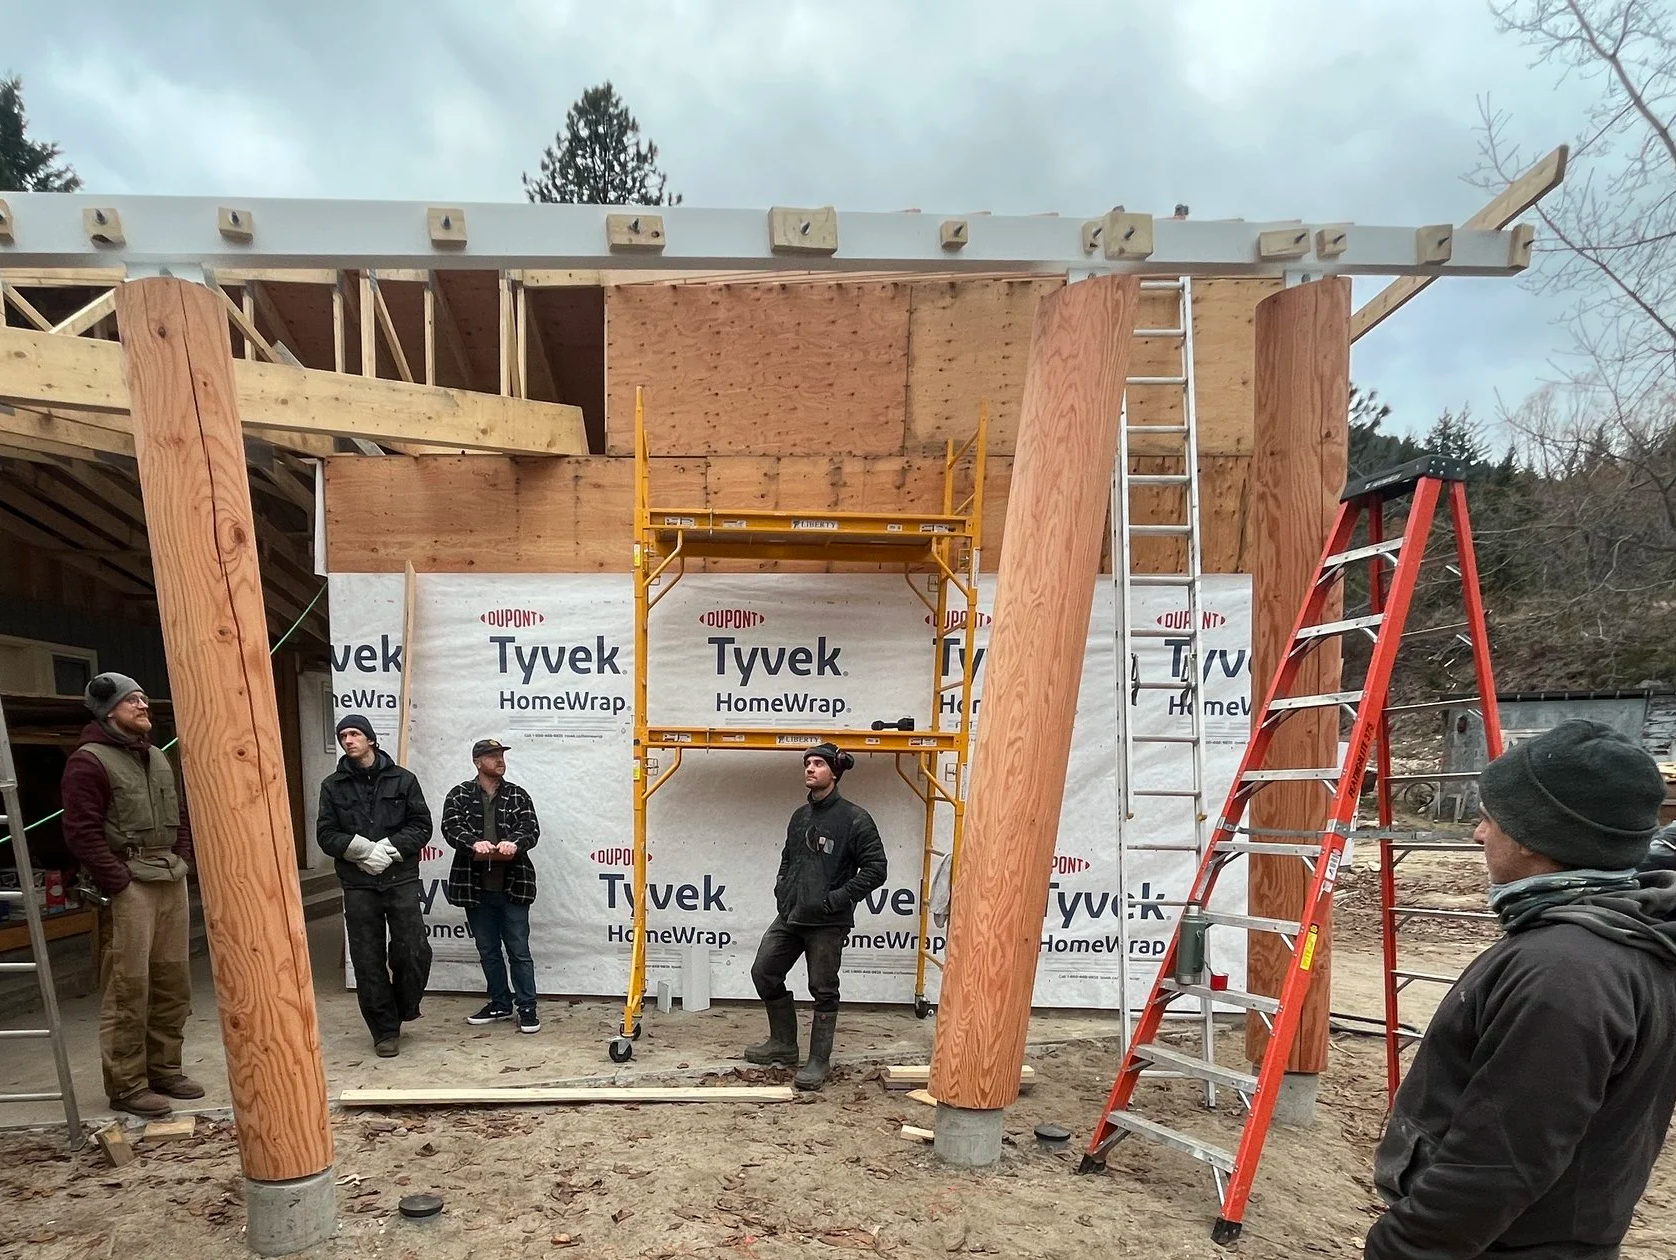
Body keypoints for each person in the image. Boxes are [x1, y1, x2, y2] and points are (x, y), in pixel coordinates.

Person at [1366, 720, 1676, 1260]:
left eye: (1489, 819)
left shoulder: (1567, 971)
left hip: (1502, 1245)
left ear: (1537, 837)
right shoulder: (1621, 937)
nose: (1477, 834)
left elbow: (1500, 1161)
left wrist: (1401, 1247)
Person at [59, 673, 201, 1119]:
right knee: (128, 987)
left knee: (172, 981)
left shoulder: (156, 755)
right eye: (132, 701)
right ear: (108, 711)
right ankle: (127, 1085)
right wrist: (118, 880)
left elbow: (180, 812)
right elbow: (80, 830)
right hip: (130, 885)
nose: (143, 706)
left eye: (143, 698)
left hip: (169, 877)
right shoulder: (88, 761)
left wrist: (183, 858)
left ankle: (164, 1069)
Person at [744, 742, 887, 1092]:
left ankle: (819, 1060)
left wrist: (836, 899)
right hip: (791, 915)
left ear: (835, 772)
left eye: (818, 763)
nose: (810, 768)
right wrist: (782, 887)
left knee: (823, 990)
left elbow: (876, 869)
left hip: (827, 921)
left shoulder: (855, 819)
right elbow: (788, 858)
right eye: (807, 763)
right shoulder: (800, 816)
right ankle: (784, 1044)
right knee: (764, 972)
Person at [315, 714, 433, 1057]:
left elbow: (421, 825)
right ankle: (384, 1030)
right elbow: (326, 834)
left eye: (355, 734)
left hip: (400, 878)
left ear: (370, 739)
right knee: (367, 959)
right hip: (358, 883)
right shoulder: (332, 786)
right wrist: (363, 851)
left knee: (413, 950)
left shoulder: (403, 780)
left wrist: (389, 850)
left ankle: (403, 1007)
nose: (348, 740)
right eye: (343, 736)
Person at [441, 738, 542, 1033]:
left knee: (519, 951)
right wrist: (473, 842)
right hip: (475, 888)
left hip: (513, 886)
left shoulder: (518, 795)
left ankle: (527, 1007)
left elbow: (531, 828)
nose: (499, 759)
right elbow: (450, 827)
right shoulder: (459, 794)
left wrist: (517, 843)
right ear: (477, 761)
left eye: (500, 754)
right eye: (492, 755)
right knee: (488, 950)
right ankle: (499, 1003)